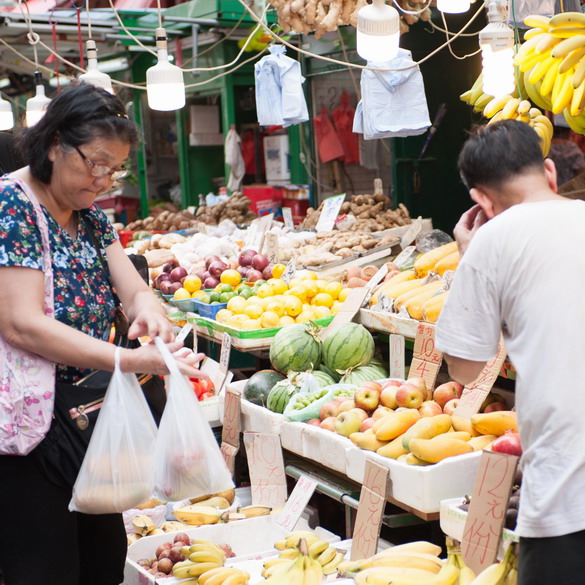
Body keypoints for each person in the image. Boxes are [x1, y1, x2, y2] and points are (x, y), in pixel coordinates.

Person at [0, 83, 204, 585]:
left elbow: (134, 289)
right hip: (29, 428)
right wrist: (130, 360)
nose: (102, 179)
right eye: (93, 163)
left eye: (113, 169)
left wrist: (149, 313)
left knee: (101, 559)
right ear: (54, 144)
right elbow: (21, 323)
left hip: (88, 420)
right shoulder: (13, 206)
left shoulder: (90, 217)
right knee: (45, 568)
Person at [435, 119, 585, 585]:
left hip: (566, 484)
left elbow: (466, 366)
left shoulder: (489, 243)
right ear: (549, 171)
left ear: (481, 200)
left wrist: (469, 256)